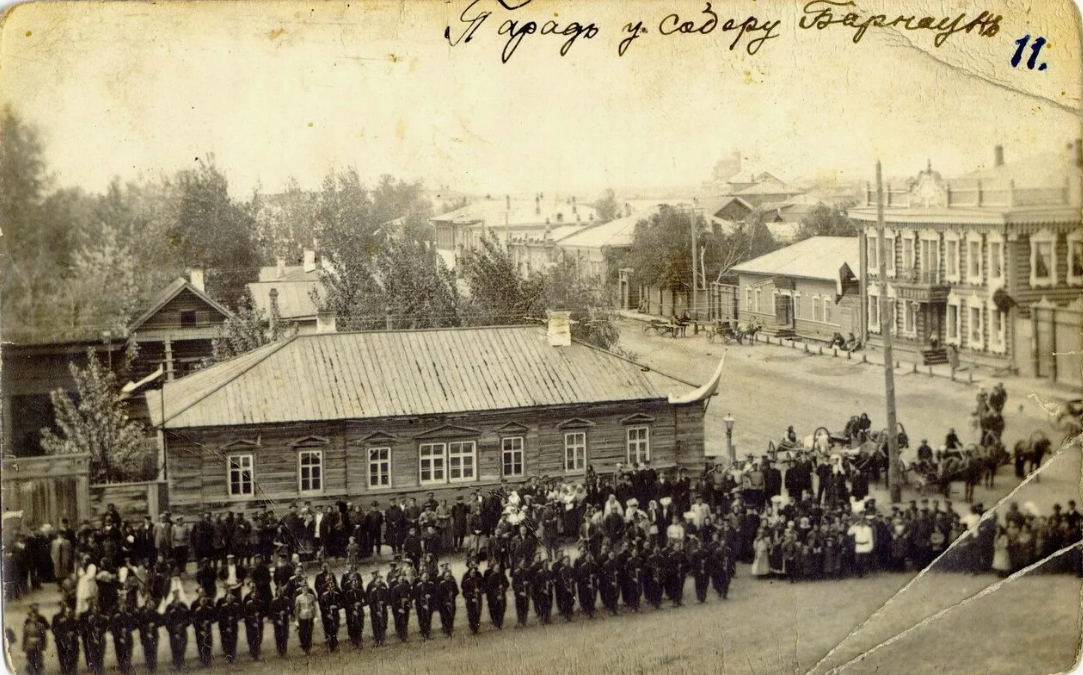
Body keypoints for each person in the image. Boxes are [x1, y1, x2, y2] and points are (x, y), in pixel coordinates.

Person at [80, 600, 109, 675]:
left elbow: (106, 625)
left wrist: (101, 631)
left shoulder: (101, 616)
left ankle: (99, 668)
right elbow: (82, 625)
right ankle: (91, 666)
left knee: (100, 653)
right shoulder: (84, 615)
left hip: (99, 636)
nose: (94, 609)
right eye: (93, 607)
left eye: (96, 607)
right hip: (88, 636)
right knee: (90, 653)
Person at [163, 590, 190, 670]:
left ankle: (181, 663)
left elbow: (189, 618)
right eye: (175, 594)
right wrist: (173, 630)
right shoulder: (169, 607)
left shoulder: (183, 605)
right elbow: (166, 621)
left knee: (182, 647)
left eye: (177, 594)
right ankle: (176, 664)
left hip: (182, 630)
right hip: (173, 631)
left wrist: (183, 625)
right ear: (173, 595)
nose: (176, 596)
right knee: (174, 648)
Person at [52, 602, 81, 675]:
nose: (64, 607)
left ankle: (73, 671)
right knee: (63, 657)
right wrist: (62, 635)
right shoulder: (56, 617)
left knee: (74, 656)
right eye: (62, 605)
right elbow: (54, 629)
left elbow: (79, 627)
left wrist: (74, 633)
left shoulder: (73, 616)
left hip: (73, 640)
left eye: (66, 605)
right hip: (61, 640)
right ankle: (64, 671)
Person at [110, 600, 137, 675]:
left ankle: (126, 669)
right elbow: (112, 627)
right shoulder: (115, 617)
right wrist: (119, 635)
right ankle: (123, 670)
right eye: (121, 606)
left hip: (128, 637)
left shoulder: (128, 616)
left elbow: (134, 625)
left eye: (124, 606)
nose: (122, 607)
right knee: (120, 654)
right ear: (118, 608)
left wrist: (127, 629)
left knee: (128, 653)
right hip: (118, 638)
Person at [22, 603, 49, 675]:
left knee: (38, 660)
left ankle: (38, 672)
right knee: (30, 660)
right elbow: (24, 637)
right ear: (29, 618)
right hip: (29, 646)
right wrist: (24, 647)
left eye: (34, 617)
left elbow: (44, 637)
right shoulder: (27, 626)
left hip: (38, 645)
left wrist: (44, 646)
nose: (33, 618)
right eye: (31, 617)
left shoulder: (41, 626)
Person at [268, 585, 292, 657]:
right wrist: (277, 620)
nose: (280, 593)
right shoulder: (273, 601)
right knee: (278, 636)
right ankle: (279, 650)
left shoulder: (287, 600)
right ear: (276, 592)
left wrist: (285, 612)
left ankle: (284, 650)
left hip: (285, 620)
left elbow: (290, 608)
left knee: (285, 635)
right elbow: (271, 613)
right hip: (277, 621)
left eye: (281, 591)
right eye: (278, 591)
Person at [242, 585, 264, 660]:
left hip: (259, 623)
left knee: (259, 636)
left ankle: (257, 651)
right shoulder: (248, 602)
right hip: (250, 624)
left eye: (255, 595)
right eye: (253, 595)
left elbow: (263, 612)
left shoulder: (261, 603)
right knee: (251, 637)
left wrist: (259, 615)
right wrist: (252, 620)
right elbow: (245, 614)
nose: (254, 596)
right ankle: (253, 652)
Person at [294, 584, 318, 654]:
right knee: (302, 633)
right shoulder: (298, 598)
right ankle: (304, 647)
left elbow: (315, 607)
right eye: (304, 589)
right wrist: (296, 620)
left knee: (309, 632)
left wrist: (316, 616)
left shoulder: (311, 596)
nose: (305, 590)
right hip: (302, 617)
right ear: (301, 589)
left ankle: (308, 648)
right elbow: (296, 610)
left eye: (306, 589)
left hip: (310, 617)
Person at [368, 573, 390, 646]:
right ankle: (377, 640)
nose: (379, 583)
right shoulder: (373, 591)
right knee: (376, 625)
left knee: (384, 624)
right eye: (378, 582)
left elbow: (388, 598)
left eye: (380, 582)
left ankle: (383, 640)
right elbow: (371, 603)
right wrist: (377, 611)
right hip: (375, 612)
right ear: (375, 582)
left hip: (383, 610)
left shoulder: (384, 589)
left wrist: (384, 602)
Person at [413, 571, 436, 640]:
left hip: (429, 605)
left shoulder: (431, 584)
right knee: (422, 619)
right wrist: (423, 604)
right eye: (424, 577)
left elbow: (435, 593)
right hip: (421, 606)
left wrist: (430, 595)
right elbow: (416, 597)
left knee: (429, 619)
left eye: (427, 576)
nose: (426, 578)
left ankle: (428, 633)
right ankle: (423, 633)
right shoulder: (419, 586)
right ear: (421, 578)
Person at [438, 566, 459, 636]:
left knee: (451, 616)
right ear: (444, 577)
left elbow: (457, 591)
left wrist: (453, 593)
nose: (448, 577)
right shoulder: (441, 584)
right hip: (443, 603)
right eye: (447, 576)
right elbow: (439, 594)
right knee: (445, 616)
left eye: (449, 576)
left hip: (452, 601)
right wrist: (445, 599)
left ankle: (450, 628)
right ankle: (446, 630)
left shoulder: (453, 582)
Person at [511, 559, 532, 627]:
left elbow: (531, 581)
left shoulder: (527, 571)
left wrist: (527, 582)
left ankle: (524, 621)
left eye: (524, 563)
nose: (523, 565)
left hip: (526, 592)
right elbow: (514, 585)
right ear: (519, 564)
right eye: (521, 564)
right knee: (519, 607)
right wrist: (519, 591)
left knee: (526, 606)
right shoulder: (516, 573)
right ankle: (520, 621)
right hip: (519, 594)